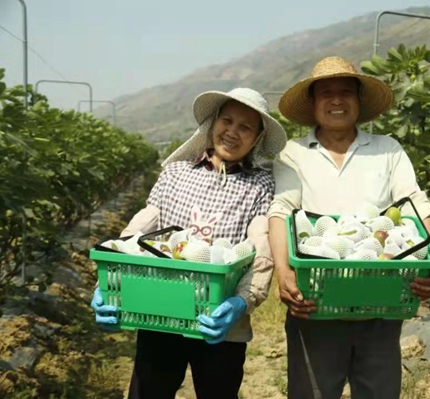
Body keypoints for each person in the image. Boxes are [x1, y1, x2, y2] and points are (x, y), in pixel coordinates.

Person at [90, 87, 287, 399]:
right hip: (160, 311)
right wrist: (111, 281)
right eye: (227, 120)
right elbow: (142, 225)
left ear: (257, 138)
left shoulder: (259, 184)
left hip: (220, 321)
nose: (232, 132)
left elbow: (260, 245)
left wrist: (243, 301)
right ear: (212, 123)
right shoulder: (176, 172)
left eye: (245, 127)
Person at [267, 56, 430, 399]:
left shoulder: (387, 150)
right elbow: (281, 210)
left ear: (359, 102)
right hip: (316, 302)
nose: (336, 100)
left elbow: (416, 203)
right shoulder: (293, 154)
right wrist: (283, 270)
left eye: (346, 92)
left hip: (380, 302)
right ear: (313, 103)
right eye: (326, 93)